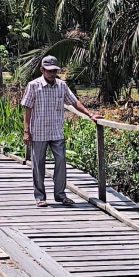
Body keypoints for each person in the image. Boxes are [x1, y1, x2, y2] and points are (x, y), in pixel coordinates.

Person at [21, 55, 102, 208]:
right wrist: (27, 131)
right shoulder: (33, 85)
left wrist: (90, 114)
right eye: (49, 71)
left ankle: (60, 195)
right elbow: (27, 108)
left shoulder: (61, 86)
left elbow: (74, 101)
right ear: (42, 70)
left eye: (55, 71)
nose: (52, 74)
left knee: (61, 161)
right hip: (38, 131)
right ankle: (40, 197)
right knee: (38, 164)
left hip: (56, 131)